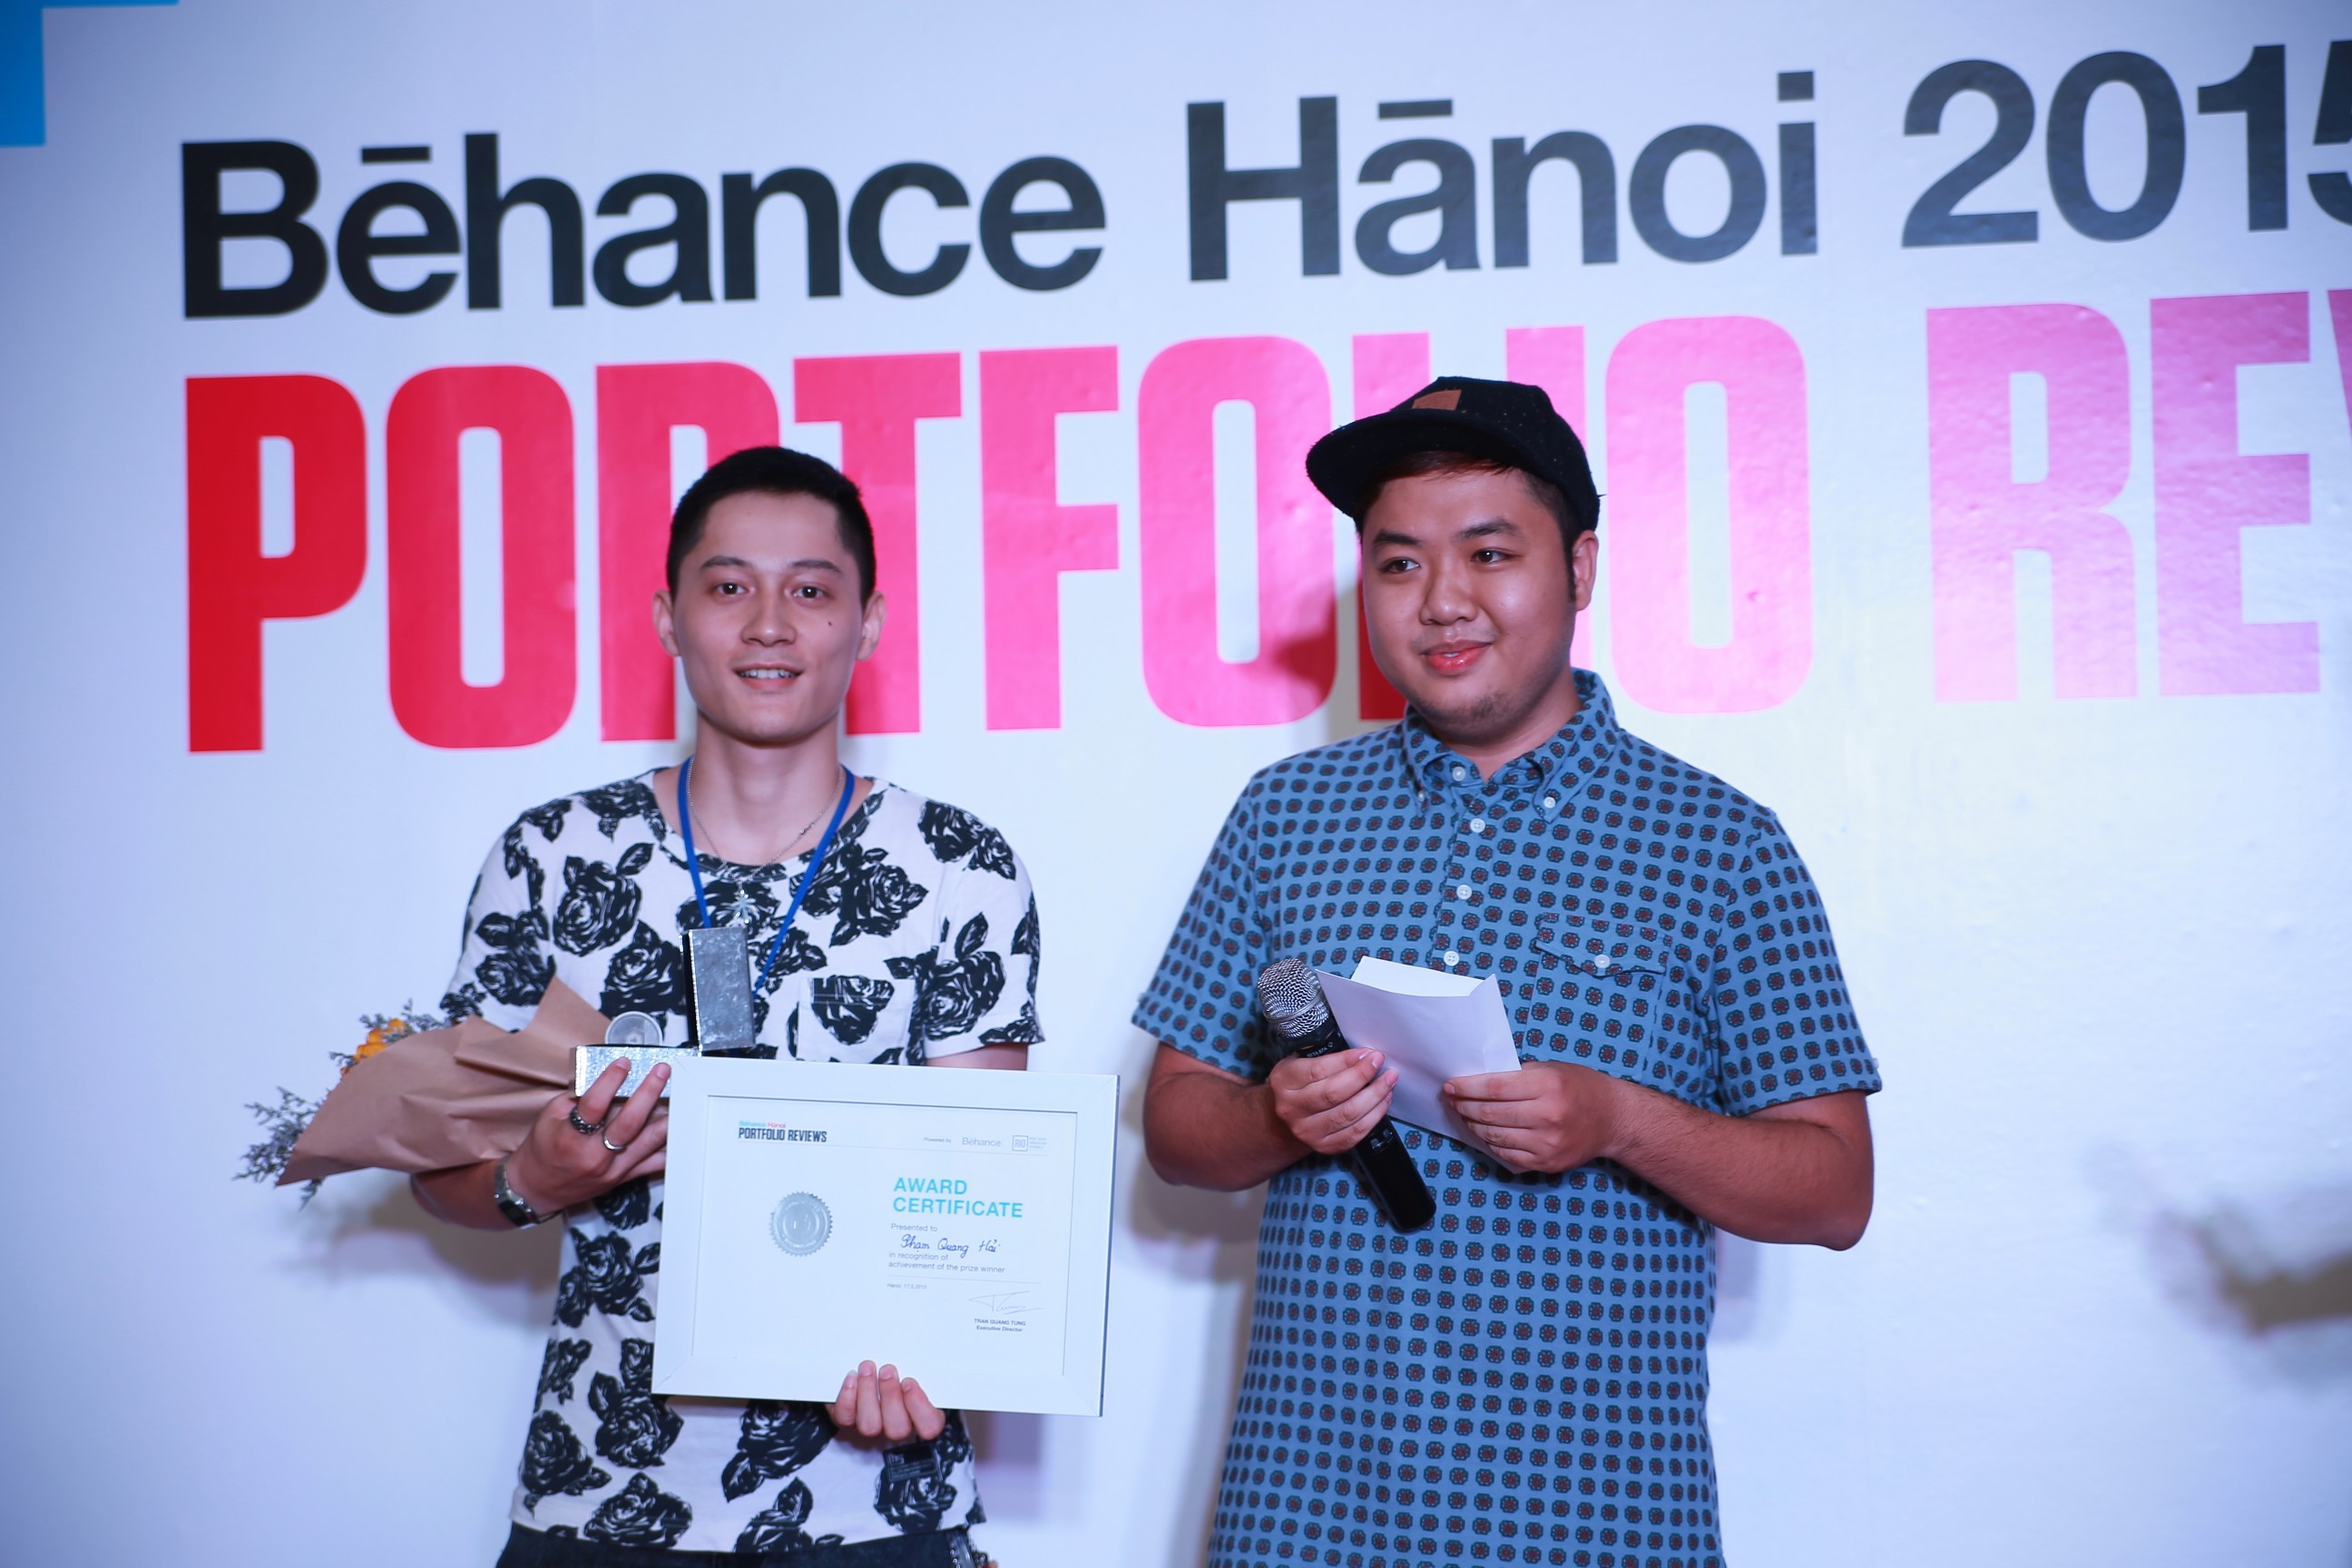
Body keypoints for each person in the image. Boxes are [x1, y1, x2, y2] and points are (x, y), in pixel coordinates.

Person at [1138, 377, 1880, 1568]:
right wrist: (1280, 1116)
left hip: (1594, 1520)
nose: (1443, 602)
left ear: (1579, 569)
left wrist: (1622, 1120)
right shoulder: (1285, 816)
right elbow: (1177, 1128)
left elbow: (1835, 1189)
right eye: (1399, 563)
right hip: (1306, 1514)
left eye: (1490, 554)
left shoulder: (1719, 842)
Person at [413, 446, 1040, 1565]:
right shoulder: (553, 857)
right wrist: (532, 1181)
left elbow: (976, 1202)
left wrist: (933, 1349)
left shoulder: (959, 868)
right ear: (668, 617)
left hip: (877, 1504)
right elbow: (440, 1173)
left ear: (869, 623)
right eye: (730, 585)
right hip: (595, 1493)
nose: (769, 625)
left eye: (811, 590)